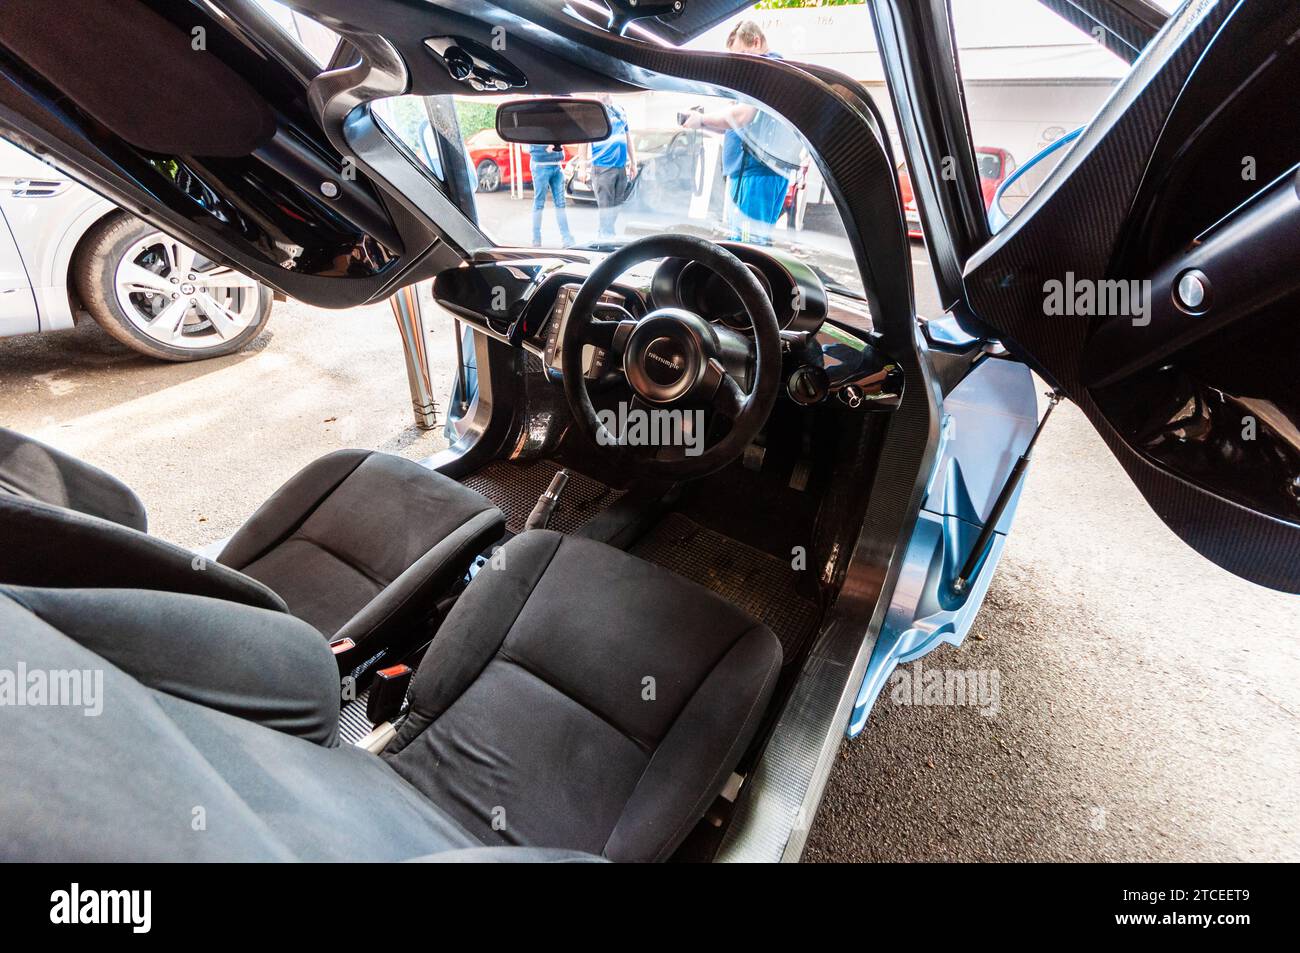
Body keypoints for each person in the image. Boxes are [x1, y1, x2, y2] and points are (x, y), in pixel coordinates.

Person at [681, 21, 802, 245]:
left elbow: (742, 116)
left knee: (748, 246)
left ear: (756, 42)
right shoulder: (766, 70)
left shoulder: (766, 68)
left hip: (755, 173)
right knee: (747, 242)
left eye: (742, 55)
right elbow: (738, 124)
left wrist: (703, 119)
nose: (739, 65)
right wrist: (701, 123)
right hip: (753, 172)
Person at [581, 94, 638, 242]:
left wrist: (633, 162)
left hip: (620, 167)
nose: (599, 93)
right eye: (596, 91)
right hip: (602, 168)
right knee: (606, 209)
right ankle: (607, 240)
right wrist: (582, 166)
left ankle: (604, 236)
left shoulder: (620, 110)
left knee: (616, 206)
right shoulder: (594, 112)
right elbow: (584, 141)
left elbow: (627, 137)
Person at [528, 142, 575, 247]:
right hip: (541, 166)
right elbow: (529, 145)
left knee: (561, 204)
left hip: (556, 166)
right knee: (539, 203)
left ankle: (567, 239)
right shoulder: (536, 127)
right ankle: (536, 240)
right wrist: (545, 148)